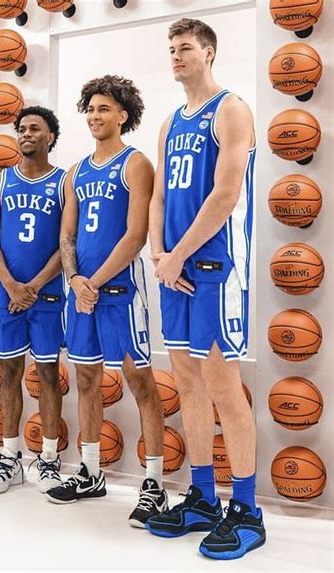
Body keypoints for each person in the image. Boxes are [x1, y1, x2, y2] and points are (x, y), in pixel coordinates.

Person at [145, 18, 265, 559]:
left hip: (217, 269)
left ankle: (248, 511)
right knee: (188, 384)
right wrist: (159, 255)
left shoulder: (231, 109)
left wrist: (178, 255)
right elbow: (159, 197)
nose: (176, 56)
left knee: (223, 387)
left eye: (186, 47)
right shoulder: (170, 122)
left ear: (209, 53)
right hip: (174, 272)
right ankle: (201, 498)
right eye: (171, 49)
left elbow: (225, 194)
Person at [46, 75, 167, 528]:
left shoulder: (136, 164)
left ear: (123, 115)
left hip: (121, 293)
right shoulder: (76, 172)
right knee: (86, 380)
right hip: (82, 294)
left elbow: (136, 235)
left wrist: (92, 282)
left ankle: (154, 483)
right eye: (91, 109)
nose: (95, 116)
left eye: (104, 109)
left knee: (140, 382)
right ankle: (91, 471)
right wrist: (75, 279)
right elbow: (67, 234)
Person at [0, 106, 66, 495]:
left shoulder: (63, 182)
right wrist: (11, 285)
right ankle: (10, 457)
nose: (26, 134)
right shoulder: (0, 181)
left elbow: (68, 242)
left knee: (48, 374)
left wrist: (32, 286)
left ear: (51, 137)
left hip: (47, 293)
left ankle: (48, 458)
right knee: (9, 372)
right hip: (7, 293)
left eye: (34, 128)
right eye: (21, 129)